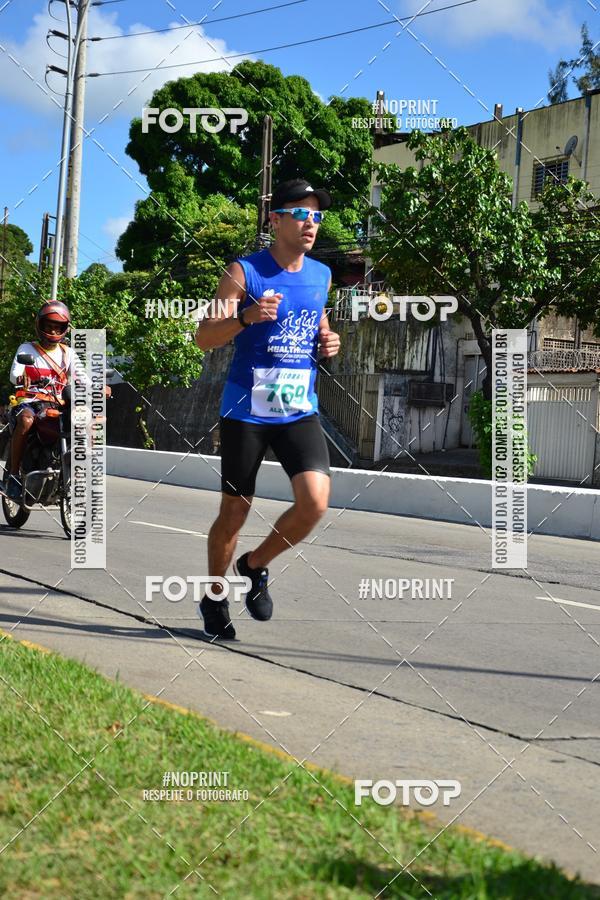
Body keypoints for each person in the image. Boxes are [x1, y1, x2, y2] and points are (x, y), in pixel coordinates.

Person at [195, 178, 340, 639]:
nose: (310, 223)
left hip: (298, 407)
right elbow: (204, 335)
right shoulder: (244, 272)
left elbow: (316, 323)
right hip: (246, 410)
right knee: (235, 511)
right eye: (300, 213)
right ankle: (214, 599)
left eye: (316, 215)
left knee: (315, 503)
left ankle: (255, 565)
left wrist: (328, 340)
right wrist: (245, 318)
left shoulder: (322, 275)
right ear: (275, 219)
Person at [5, 300, 111, 501]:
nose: (53, 331)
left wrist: (98, 386)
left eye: (57, 327)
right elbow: (15, 373)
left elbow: (82, 379)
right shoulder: (27, 348)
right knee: (27, 421)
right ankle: (14, 477)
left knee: (87, 420)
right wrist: (21, 378)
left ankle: (79, 470)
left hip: (56, 403)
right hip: (29, 401)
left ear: (63, 329)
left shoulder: (68, 353)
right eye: (49, 326)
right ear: (40, 325)